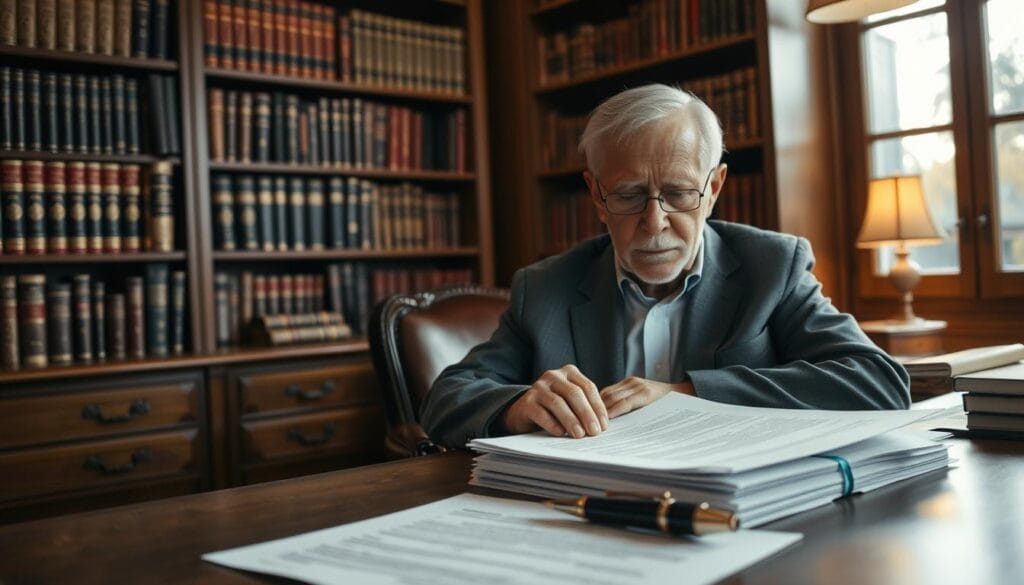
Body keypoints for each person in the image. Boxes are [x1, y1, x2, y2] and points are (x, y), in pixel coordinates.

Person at [421, 84, 910, 448]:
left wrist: (688, 393)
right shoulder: (546, 287)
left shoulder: (772, 267)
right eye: (629, 195)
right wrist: (517, 406)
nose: (654, 224)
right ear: (596, 194)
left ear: (714, 188)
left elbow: (878, 382)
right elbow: (446, 399)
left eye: (678, 193)